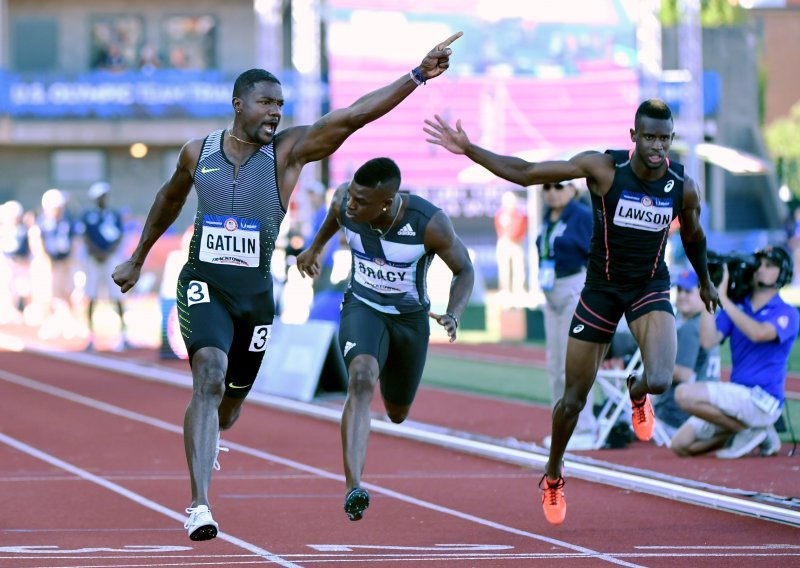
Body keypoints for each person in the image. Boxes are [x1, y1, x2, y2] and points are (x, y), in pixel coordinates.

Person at [112, 32, 463, 541]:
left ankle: (217, 427)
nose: (275, 112)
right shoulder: (198, 152)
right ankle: (199, 505)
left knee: (229, 408)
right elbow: (168, 200)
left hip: (255, 297)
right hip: (203, 284)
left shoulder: (288, 153)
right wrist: (138, 257)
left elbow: (352, 115)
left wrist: (415, 76)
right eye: (266, 102)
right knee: (207, 376)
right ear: (238, 104)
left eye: (280, 104)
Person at [424, 99, 719, 526]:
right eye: (649, 137)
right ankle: (554, 474)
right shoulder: (603, 170)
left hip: (648, 288)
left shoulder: (683, 186)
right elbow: (527, 173)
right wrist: (470, 149)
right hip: (600, 290)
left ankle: (637, 394)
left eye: (664, 138)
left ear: (672, 140)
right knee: (573, 400)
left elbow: (693, 235)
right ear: (634, 137)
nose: (657, 146)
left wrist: (706, 279)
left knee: (658, 378)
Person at [295, 157, 474, 522]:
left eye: (362, 202)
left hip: (409, 322)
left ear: (387, 203)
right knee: (360, 379)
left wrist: (453, 312)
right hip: (362, 308)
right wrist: (314, 249)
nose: (352, 206)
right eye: (352, 198)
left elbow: (464, 269)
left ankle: (395, 401)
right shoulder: (346, 202)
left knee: (397, 413)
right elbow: (334, 213)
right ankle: (353, 486)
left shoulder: (429, 223)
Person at [671, 246, 799, 459]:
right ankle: (751, 432)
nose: (760, 269)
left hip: (763, 400)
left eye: (769, 266)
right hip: (738, 394)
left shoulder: (787, 312)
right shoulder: (739, 306)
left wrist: (726, 301)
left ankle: (747, 431)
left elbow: (758, 333)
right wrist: (707, 297)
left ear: (782, 273)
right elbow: (708, 340)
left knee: (683, 394)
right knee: (680, 445)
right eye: (759, 264)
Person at [535, 180, 595, 450]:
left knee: (574, 363)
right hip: (551, 291)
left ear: (573, 189)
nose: (551, 192)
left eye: (558, 186)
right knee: (554, 365)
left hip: (574, 287)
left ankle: (584, 426)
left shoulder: (581, 216)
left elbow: (597, 254)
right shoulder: (548, 217)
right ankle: (561, 424)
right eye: (546, 187)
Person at [653, 269, 720, 439]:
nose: (682, 296)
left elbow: (683, 374)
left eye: (688, 291)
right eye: (679, 290)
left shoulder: (690, 328)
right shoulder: (707, 325)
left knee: (626, 421)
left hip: (675, 417)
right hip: (703, 411)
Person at [81, 182, 128, 351]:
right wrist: (96, 252)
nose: (103, 199)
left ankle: (123, 335)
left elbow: (120, 235)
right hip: (94, 259)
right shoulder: (88, 215)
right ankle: (91, 337)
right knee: (91, 295)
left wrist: (107, 253)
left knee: (117, 295)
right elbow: (85, 236)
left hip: (111, 258)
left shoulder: (114, 214)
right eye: (100, 197)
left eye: (105, 196)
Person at [494, 190, 527, 300]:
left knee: (518, 267)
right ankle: (505, 289)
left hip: (516, 243)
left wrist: (515, 238)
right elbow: (499, 228)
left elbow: (522, 228)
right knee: (504, 268)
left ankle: (519, 290)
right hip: (504, 242)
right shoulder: (500, 214)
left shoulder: (520, 215)